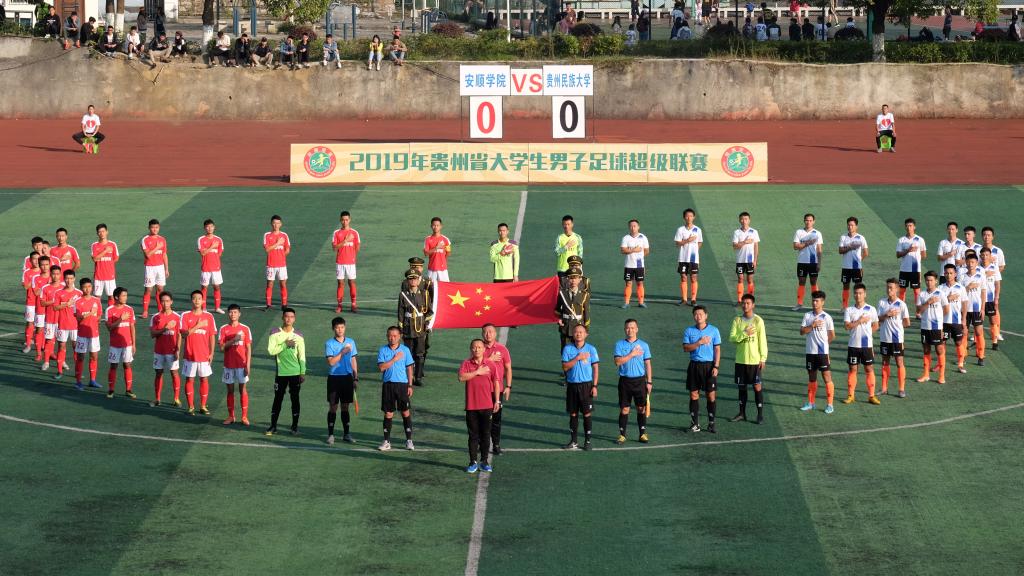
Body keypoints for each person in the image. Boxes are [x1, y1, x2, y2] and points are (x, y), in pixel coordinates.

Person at [459, 339, 501, 473]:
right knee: (473, 435)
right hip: (471, 406)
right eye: (474, 347)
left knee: (486, 434)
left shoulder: (490, 364)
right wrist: (477, 372)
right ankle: (473, 462)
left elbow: (496, 383)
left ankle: (484, 461)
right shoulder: (466, 363)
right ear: (471, 349)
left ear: (483, 349)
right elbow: (461, 377)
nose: (476, 349)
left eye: (479, 347)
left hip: (487, 405)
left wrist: (497, 401)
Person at [266, 307, 306, 436]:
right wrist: (285, 344)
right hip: (281, 373)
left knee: (295, 399)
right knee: (278, 399)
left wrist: (303, 372)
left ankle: (294, 427)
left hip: (295, 373)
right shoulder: (274, 333)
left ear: (294, 319)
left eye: (291, 317)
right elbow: (271, 351)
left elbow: (302, 355)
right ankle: (273, 426)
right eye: (287, 316)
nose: (289, 319)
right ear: (282, 318)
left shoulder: (299, 336)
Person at [729, 294, 768, 423]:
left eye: (748, 303)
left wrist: (763, 358)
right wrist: (745, 333)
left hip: (755, 361)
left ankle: (760, 415)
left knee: (757, 387)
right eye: (743, 303)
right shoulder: (737, 320)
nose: (745, 305)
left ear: (753, 305)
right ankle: (742, 414)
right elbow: (732, 338)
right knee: (742, 387)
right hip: (740, 360)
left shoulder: (758, 321)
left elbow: (762, 341)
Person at [683, 305, 721, 433]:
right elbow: (686, 348)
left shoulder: (714, 330)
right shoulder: (689, 331)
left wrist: (716, 366)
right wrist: (699, 342)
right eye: (696, 314)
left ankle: (711, 423)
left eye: (700, 314)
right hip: (694, 365)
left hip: (709, 366)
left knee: (711, 395)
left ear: (706, 316)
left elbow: (717, 349)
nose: (698, 316)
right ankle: (695, 424)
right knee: (694, 394)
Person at [376, 326, 415, 451]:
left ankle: (409, 440)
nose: (391, 338)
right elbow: (381, 367)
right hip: (388, 385)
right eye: (389, 336)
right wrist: (394, 359)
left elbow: (409, 368)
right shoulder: (383, 350)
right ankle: (386, 441)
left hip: (402, 385)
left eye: (394, 336)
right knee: (388, 413)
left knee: (405, 412)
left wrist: (410, 385)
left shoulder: (405, 350)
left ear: (400, 336)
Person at [613, 319, 652, 443]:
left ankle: (642, 434)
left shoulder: (644, 345)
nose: (630, 330)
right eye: (627, 328)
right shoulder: (619, 344)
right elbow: (617, 362)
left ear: (637, 329)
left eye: (632, 327)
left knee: (641, 408)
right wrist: (632, 354)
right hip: (625, 382)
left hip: (640, 381)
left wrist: (649, 382)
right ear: (624, 329)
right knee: (625, 409)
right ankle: (622, 435)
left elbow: (648, 364)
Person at [179, 290, 217, 415]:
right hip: (190, 355)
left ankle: (203, 406)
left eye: (199, 298)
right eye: (194, 298)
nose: (197, 300)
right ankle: (191, 406)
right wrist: (198, 325)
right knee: (189, 379)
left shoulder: (209, 316)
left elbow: (212, 336)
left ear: (203, 301)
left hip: (204, 355)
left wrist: (212, 353)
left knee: (204, 379)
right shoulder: (185, 315)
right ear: (191, 300)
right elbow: (184, 334)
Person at [842, 283, 880, 405]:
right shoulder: (849, 310)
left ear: (865, 294)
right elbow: (847, 327)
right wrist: (859, 321)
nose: (858, 295)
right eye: (856, 293)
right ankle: (851, 395)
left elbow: (876, 325)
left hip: (866, 346)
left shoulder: (871, 309)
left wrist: (867, 333)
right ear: (853, 295)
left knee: (869, 368)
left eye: (860, 293)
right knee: (853, 369)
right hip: (853, 345)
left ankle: (871, 396)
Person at [562, 325, 598, 450]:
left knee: (587, 413)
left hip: (586, 386)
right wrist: (577, 358)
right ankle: (574, 441)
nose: (578, 334)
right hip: (572, 385)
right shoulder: (567, 349)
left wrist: (594, 385)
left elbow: (595, 368)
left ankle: (587, 441)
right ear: (573, 334)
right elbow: (565, 367)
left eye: (581, 332)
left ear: (586, 334)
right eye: (576, 332)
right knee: (573, 414)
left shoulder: (591, 349)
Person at [800, 291, 836, 414]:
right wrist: (812, 326)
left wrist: (825, 346)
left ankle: (830, 404)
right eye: (813, 300)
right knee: (812, 377)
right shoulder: (807, 316)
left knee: (827, 377)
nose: (814, 303)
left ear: (822, 302)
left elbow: (832, 335)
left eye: (817, 301)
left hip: (822, 353)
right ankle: (811, 403)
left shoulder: (827, 317)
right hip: (810, 352)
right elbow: (802, 332)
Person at [325, 316, 358, 445]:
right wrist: (342, 352)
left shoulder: (351, 342)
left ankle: (346, 434)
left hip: (347, 378)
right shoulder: (329, 343)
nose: (340, 330)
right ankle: (331, 435)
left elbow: (353, 360)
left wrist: (355, 377)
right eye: (337, 327)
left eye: (342, 327)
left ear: (345, 328)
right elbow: (331, 362)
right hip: (334, 378)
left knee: (345, 406)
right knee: (333, 407)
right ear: (333, 329)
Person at [398, 269, 433, 387]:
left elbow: (430, 312)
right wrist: (400, 329)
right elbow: (400, 313)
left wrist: (426, 324)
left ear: (419, 280)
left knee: (419, 353)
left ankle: (418, 377)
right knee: (408, 353)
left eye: (415, 278)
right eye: (410, 279)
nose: (413, 281)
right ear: (407, 281)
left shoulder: (425, 294)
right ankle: (409, 376)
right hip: (408, 327)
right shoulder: (403, 295)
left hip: (420, 328)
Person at [218, 304, 252, 425]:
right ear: (228, 313)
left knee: (243, 389)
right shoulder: (223, 329)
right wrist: (234, 340)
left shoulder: (245, 329)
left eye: (235, 312)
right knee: (230, 391)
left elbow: (248, 348)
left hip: (241, 365)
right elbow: (222, 348)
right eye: (231, 312)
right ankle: (231, 416)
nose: (233, 314)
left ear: (239, 314)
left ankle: (244, 417)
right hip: (228, 365)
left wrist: (248, 365)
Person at [481, 323, 512, 454]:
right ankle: (482, 444)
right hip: (482, 390)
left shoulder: (502, 349)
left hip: (497, 390)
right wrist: (490, 359)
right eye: (485, 332)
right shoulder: (479, 348)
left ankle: (496, 444)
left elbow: (508, 368)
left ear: (495, 333)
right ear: (482, 334)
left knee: (496, 419)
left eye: (491, 332)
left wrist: (508, 386)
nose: (488, 334)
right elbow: (476, 367)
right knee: (482, 419)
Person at [877, 278, 911, 397]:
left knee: (899, 362)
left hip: (897, 339)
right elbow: (877, 319)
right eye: (887, 287)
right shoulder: (882, 302)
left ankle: (901, 389)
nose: (889, 290)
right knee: (885, 362)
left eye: (891, 287)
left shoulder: (901, 304)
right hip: (884, 338)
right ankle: (884, 388)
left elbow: (907, 322)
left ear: (897, 289)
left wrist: (897, 327)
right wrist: (887, 315)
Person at [149, 291, 182, 407]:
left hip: (172, 351)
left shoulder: (177, 318)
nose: (165, 303)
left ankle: (176, 398)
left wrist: (178, 350)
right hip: (159, 351)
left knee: (174, 373)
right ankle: (157, 399)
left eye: (167, 301)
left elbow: (179, 335)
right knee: (158, 373)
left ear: (171, 302)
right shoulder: (155, 317)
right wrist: (165, 328)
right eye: (163, 301)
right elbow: (152, 334)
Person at [916, 271, 949, 384]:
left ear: (936, 281)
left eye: (931, 280)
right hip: (925, 327)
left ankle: (942, 376)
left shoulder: (941, 294)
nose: (929, 282)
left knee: (939, 349)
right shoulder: (922, 294)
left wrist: (940, 322)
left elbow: (946, 310)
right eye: (927, 280)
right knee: (926, 350)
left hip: (936, 327)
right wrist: (928, 303)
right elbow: (918, 311)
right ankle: (926, 375)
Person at [105, 287, 137, 399]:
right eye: (123, 296)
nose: (125, 298)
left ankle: (128, 390)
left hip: (127, 344)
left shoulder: (130, 309)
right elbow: (109, 328)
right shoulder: (109, 310)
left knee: (127, 364)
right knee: (113, 366)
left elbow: (132, 327)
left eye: (126, 295)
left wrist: (134, 344)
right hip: (115, 344)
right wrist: (120, 319)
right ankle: (111, 390)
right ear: (116, 297)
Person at [556, 268, 590, 369]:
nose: (573, 281)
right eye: (571, 278)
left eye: (575, 278)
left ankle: (577, 370)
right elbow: (557, 310)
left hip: (578, 327)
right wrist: (559, 319)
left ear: (580, 279)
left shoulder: (584, 295)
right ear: (567, 279)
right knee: (565, 351)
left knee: (579, 350)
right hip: (566, 327)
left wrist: (586, 330)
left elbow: (586, 314)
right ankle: (567, 374)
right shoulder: (562, 294)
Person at [52, 270, 83, 381]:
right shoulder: (58, 293)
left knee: (76, 348)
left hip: (75, 326)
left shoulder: (79, 293)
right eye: (67, 278)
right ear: (64, 279)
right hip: (62, 324)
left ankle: (77, 372)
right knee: (61, 347)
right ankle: (59, 371)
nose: (69, 281)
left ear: (74, 279)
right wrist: (67, 304)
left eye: (71, 278)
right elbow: (55, 307)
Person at [73, 277, 102, 390]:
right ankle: (78, 382)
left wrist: (95, 318)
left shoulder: (97, 300)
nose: (87, 289)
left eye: (89, 286)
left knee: (94, 356)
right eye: (85, 287)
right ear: (81, 288)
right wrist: (90, 313)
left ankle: (92, 380)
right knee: (80, 357)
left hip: (94, 333)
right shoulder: (77, 302)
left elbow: (99, 315)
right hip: (82, 334)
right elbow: (78, 318)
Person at [939, 264, 968, 375]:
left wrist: (964, 319)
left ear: (955, 274)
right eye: (946, 273)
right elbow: (937, 305)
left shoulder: (961, 288)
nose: (949, 275)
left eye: (951, 273)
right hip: (944, 322)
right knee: (942, 343)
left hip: (956, 321)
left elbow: (964, 304)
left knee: (959, 342)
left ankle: (960, 364)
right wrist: (948, 298)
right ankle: (940, 364)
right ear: (944, 274)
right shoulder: (940, 288)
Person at [960, 251, 987, 366]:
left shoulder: (981, 276)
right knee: (964, 333)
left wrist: (983, 308)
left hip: (976, 309)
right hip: (965, 309)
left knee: (979, 332)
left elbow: (983, 292)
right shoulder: (962, 277)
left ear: (976, 263)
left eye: (973, 262)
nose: (970, 264)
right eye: (968, 262)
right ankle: (963, 356)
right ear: (965, 263)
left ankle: (981, 356)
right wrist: (968, 287)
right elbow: (959, 293)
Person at [792, 213, 823, 311]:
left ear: (813, 221)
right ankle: (799, 303)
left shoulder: (817, 233)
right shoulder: (799, 232)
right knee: (801, 282)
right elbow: (795, 246)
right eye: (806, 220)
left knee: (813, 282)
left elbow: (819, 249)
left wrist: (819, 263)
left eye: (810, 220)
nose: (808, 222)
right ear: (804, 221)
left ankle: (817, 303)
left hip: (813, 262)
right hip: (802, 262)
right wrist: (808, 243)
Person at [896, 217, 926, 317]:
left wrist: (916, 260)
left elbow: (924, 254)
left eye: (910, 226)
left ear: (914, 227)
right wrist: (908, 250)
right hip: (904, 270)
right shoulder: (901, 240)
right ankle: (901, 312)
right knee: (902, 291)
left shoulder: (920, 240)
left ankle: (918, 312)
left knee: (917, 292)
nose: (909, 228)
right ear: (905, 227)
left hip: (915, 270)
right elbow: (898, 255)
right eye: (907, 226)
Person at [140, 218, 169, 319]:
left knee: (160, 289)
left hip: (160, 267)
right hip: (150, 267)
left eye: (156, 227)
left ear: (159, 228)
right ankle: (145, 311)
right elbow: (147, 255)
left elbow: (164, 254)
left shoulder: (162, 239)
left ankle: (160, 310)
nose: (155, 229)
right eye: (153, 227)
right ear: (149, 228)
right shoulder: (145, 240)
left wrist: (166, 268)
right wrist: (157, 247)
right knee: (148, 289)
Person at [332, 210, 361, 313]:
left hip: (351, 263)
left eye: (346, 220)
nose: (345, 222)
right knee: (340, 283)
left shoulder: (355, 233)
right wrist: (345, 241)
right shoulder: (336, 233)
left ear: (350, 220)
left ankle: (353, 304)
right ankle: (339, 305)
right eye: (343, 220)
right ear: (340, 220)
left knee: (352, 282)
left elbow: (357, 247)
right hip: (340, 262)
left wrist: (352, 256)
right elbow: (334, 248)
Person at [837, 216, 868, 309]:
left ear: (856, 226)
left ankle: (859, 306)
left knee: (858, 288)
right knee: (845, 287)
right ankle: (844, 307)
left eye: (852, 225)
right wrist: (850, 247)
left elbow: (866, 252)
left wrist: (859, 261)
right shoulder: (843, 237)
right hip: (846, 267)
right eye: (848, 225)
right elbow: (840, 251)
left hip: (856, 268)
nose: (850, 227)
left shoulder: (861, 238)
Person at [674, 208, 703, 306]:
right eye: (687, 216)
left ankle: (693, 299)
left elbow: (700, 242)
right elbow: (677, 243)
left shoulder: (698, 230)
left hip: (693, 259)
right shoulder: (680, 229)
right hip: (683, 258)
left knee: (693, 277)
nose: (689, 218)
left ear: (694, 217)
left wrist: (694, 252)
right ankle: (684, 299)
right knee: (683, 277)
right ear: (684, 217)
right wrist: (688, 240)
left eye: (691, 216)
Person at [620, 219, 650, 309]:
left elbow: (647, 251)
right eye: (631, 226)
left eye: (634, 226)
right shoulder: (626, 238)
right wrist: (634, 250)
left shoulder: (643, 237)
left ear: (638, 227)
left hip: (639, 265)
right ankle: (626, 303)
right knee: (628, 283)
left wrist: (639, 257)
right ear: (629, 227)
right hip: (628, 265)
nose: (633, 228)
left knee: (640, 283)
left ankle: (641, 302)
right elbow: (623, 250)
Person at [197, 218, 225, 314]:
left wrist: (208, 250)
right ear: (204, 228)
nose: (209, 228)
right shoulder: (201, 239)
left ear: (214, 227)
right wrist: (212, 247)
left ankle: (217, 307)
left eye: (211, 226)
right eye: (207, 227)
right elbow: (203, 253)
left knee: (217, 287)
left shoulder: (219, 239)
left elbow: (219, 254)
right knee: (204, 288)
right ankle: (203, 308)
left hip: (216, 268)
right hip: (205, 268)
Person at [39, 264, 64, 371]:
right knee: (48, 341)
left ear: (60, 275)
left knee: (61, 343)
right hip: (49, 319)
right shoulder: (45, 288)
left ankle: (62, 361)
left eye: (57, 274)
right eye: (53, 274)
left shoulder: (64, 288)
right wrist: (54, 301)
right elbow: (42, 303)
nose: (55, 276)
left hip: (62, 320)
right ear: (50, 274)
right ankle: (46, 362)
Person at [263, 214, 291, 309]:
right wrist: (278, 243)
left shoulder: (284, 235)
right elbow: (267, 249)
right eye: (274, 223)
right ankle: (268, 304)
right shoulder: (267, 235)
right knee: (270, 284)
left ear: (281, 224)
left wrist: (281, 256)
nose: (276, 225)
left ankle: (284, 304)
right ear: (271, 224)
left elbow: (287, 249)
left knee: (283, 284)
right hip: (271, 265)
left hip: (282, 265)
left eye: (278, 223)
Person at [732, 211, 759, 306]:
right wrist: (745, 242)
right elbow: (735, 246)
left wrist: (755, 260)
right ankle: (740, 300)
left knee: (750, 280)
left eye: (746, 219)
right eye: (742, 219)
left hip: (750, 261)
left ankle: (750, 299)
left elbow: (756, 247)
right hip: (740, 260)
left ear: (749, 220)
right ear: (740, 220)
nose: (744, 221)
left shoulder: (754, 232)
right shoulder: (737, 232)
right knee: (740, 279)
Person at [30, 256, 52, 362]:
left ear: (49, 265)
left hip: (52, 309)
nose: (45, 267)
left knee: (51, 331)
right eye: (42, 265)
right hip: (40, 308)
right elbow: (36, 292)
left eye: (47, 264)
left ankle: (50, 352)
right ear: (39, 265)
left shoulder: (55, 276)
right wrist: (48, 285)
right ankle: (39, 353)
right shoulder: (35, 278)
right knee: (39, 329)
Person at [980, 247, 1002, 351]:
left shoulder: (994, 268)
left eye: (987, 255)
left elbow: (997, 284)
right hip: (979, 300)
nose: (985, 257)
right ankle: (978, 342)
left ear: (990, 256)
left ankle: (994, 341)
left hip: (990, 299)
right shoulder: (977, 268)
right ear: (980, 256)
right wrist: (985, 275)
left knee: (993, 321)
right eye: (983, 255)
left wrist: (996, 298)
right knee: (979, 322)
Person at [22, 252, 42, 356]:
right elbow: (25, 286)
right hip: (31, 301)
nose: (36, 261)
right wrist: (35, 279)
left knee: (41, 325)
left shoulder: (45, 272)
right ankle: (28, 344)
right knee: (30, 322)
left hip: (42, 302)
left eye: (38, 259)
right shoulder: (27, 272)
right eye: (34, 259)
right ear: (30, 260)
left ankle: (41, 345)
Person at [423, 216, 452, 283]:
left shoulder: (446, 240)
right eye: (434, 225)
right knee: (430, 286)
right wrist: (436, 248)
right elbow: (426, 253)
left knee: (445, 286)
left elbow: (448, 252)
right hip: (431, 269)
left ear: (441, 226)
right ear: (431, 226)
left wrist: (442, 261)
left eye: (437, 225)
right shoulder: (428, 239)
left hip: (443, 270)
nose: (435, 227)